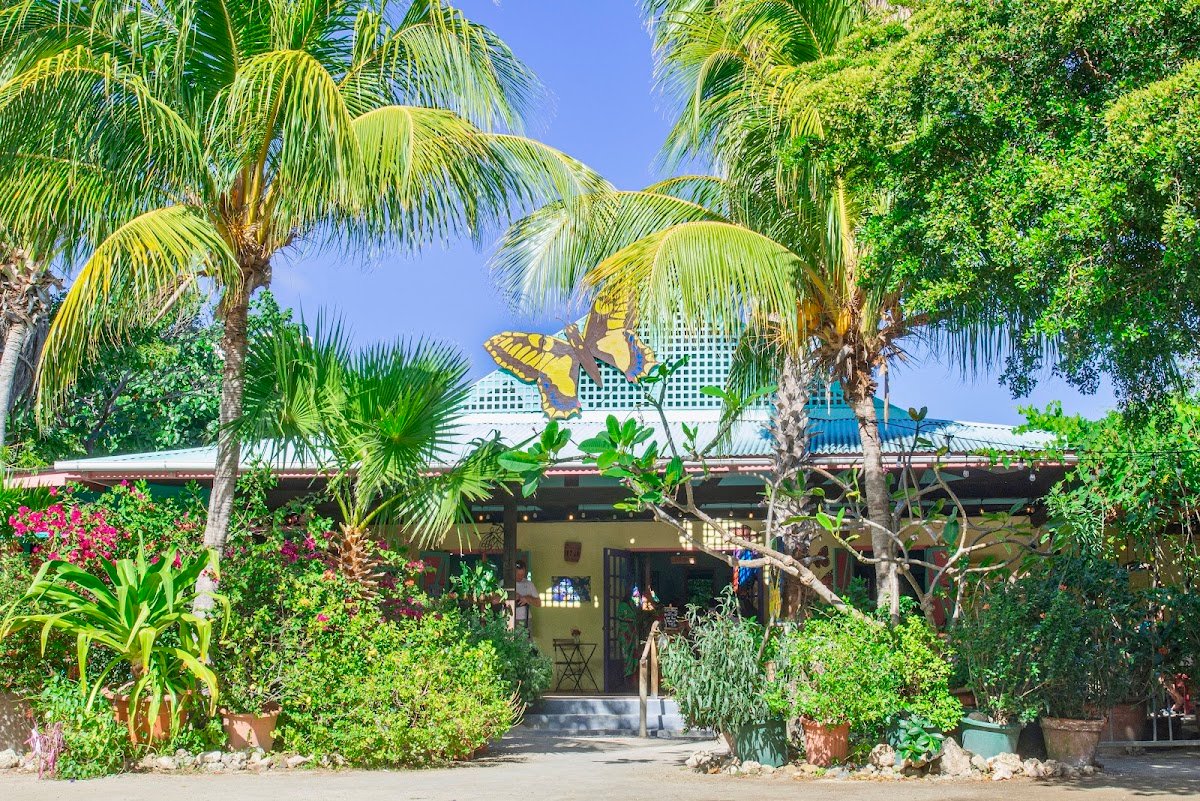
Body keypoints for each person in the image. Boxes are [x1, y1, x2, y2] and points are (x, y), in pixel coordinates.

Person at [514, 559, 541, 628]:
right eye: (518, 574)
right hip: (508, 619)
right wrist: (510, 596)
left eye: (522, 574)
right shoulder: (504, 583)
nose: (520, 577)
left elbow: (538, 603)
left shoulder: (529, 584)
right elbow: (494, 601)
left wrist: (527, 599)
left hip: (525, 619)